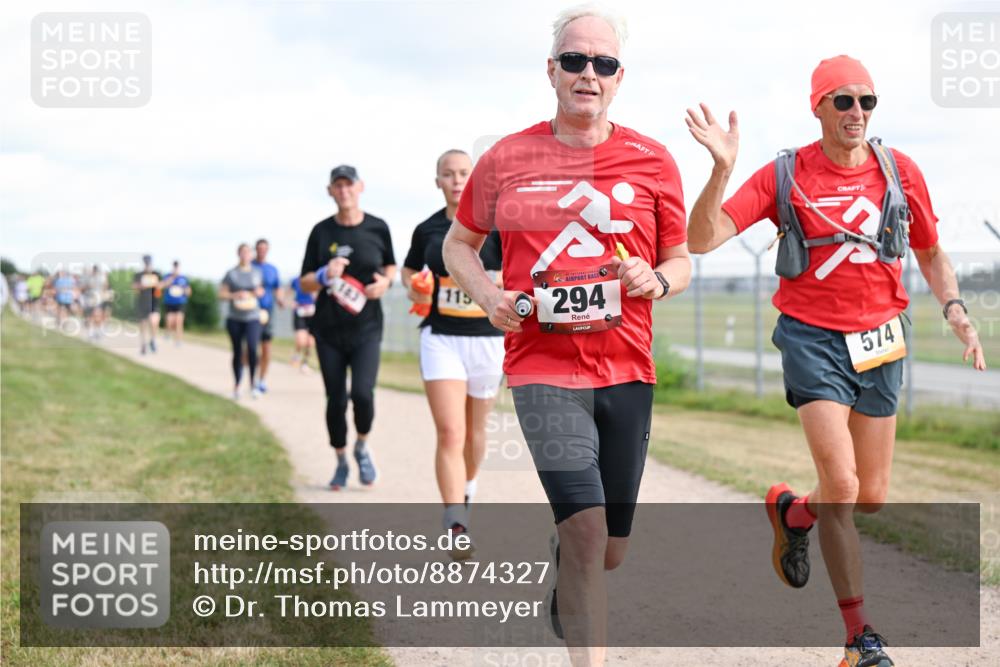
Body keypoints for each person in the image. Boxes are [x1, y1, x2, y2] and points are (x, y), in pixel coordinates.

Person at [685, 55, 988, 667]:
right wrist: (720, 169)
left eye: (867, 101)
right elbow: (701, 238)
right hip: (812, 340)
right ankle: (859, 639)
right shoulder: (785, 173)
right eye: (843, 101)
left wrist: (955, 309)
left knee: (870, 495)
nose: (856, 113)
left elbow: (931, 252)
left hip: (881, 339)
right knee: (844, 487)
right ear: (818, 105)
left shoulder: (899, 170)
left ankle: (795, 513)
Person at [442, 6, 690, 662]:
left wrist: (655, 279)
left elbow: (681, 260)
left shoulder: (654, 160)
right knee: (586, 530)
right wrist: (491, 295)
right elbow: (458, 244)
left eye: (602, 64)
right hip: (541, 369)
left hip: (627, 369)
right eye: (574, 61)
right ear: (551, 70)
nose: (588, 73)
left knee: (608, 549)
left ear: (618, 77)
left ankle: (567, 559)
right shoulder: (507, 157)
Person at [402, 149, 504, 557]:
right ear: (438, 181)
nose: (457, 180)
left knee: (476, 433)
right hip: (441, 337)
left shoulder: (497, 227)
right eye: (448, 174)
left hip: (488, 341)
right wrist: (416, 287)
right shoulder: (427, 229)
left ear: (474, 177)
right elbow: (409, 271)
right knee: (450, 432)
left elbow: (521, 271)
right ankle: (455, 521)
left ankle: (468, 488)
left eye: (464, 172)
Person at [299, 165, 396, 490]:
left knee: (362, 395)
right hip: (328, 330)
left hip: (366, 328)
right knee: (336, 399)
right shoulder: (321, 232)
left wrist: (385, 282)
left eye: (349, 185)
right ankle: (341, 460)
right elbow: (305, 282)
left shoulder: (377, 227)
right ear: (330, 191)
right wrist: (326, 274)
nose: (344, 191)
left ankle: (361, 446)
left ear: (360, 187)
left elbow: (391, 267)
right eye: (337, 186)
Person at [219, 244, 264, 400]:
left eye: (248, 252)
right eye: (243, 252)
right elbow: (222, 294)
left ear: (251, 255)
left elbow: (261, 291)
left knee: (252, 349)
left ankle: (253, 384)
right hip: (235, 318)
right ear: (238, 254)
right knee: (237, 351)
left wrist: (257, 293)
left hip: (253, 317)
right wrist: (235, 295)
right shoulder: (231, 274)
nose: (246, 255)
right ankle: (237, 385)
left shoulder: (257, 273)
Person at [252, 239, 284, 393]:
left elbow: (278, 288)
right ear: (255, 250)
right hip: (250, 312)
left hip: (267, 311)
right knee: (251, 348)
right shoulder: (249, 267)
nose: (262, 251)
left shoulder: (272, 269)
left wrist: (280, 299)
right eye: (259, 248)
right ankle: (251, 375)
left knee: (266, 347)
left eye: (265, 249)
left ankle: (262, 379)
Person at [132, 255, 162, 354]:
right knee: (143, 324)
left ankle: (153, 340)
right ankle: (143, 344)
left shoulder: (156, 274)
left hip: (154, 302)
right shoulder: (139, 275)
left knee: (154, 322)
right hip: (143, 302)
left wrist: (156, 284)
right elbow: (134, 286)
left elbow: (161, 285)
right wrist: (143, 285)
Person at [289, 275, 317, 373]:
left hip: (312, 311)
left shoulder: (317, 278)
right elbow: (289, 292)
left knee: (310, 342)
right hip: (300, 311)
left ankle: (305, 363)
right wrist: (291, 302)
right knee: (301, 340)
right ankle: (297, 354)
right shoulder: (296, 280)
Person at [161, 260, 192, 346]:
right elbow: (161, 286)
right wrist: (171, 279)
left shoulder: (183, 278)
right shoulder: (167, 276)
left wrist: (185, 290)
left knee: (179, 320)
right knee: (170, 320)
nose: (175, 268)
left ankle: (178, 340)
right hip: (169, 302)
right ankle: (168, 332)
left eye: (177, 267)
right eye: (174, 267)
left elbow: (189, 292)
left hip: (180, 302)